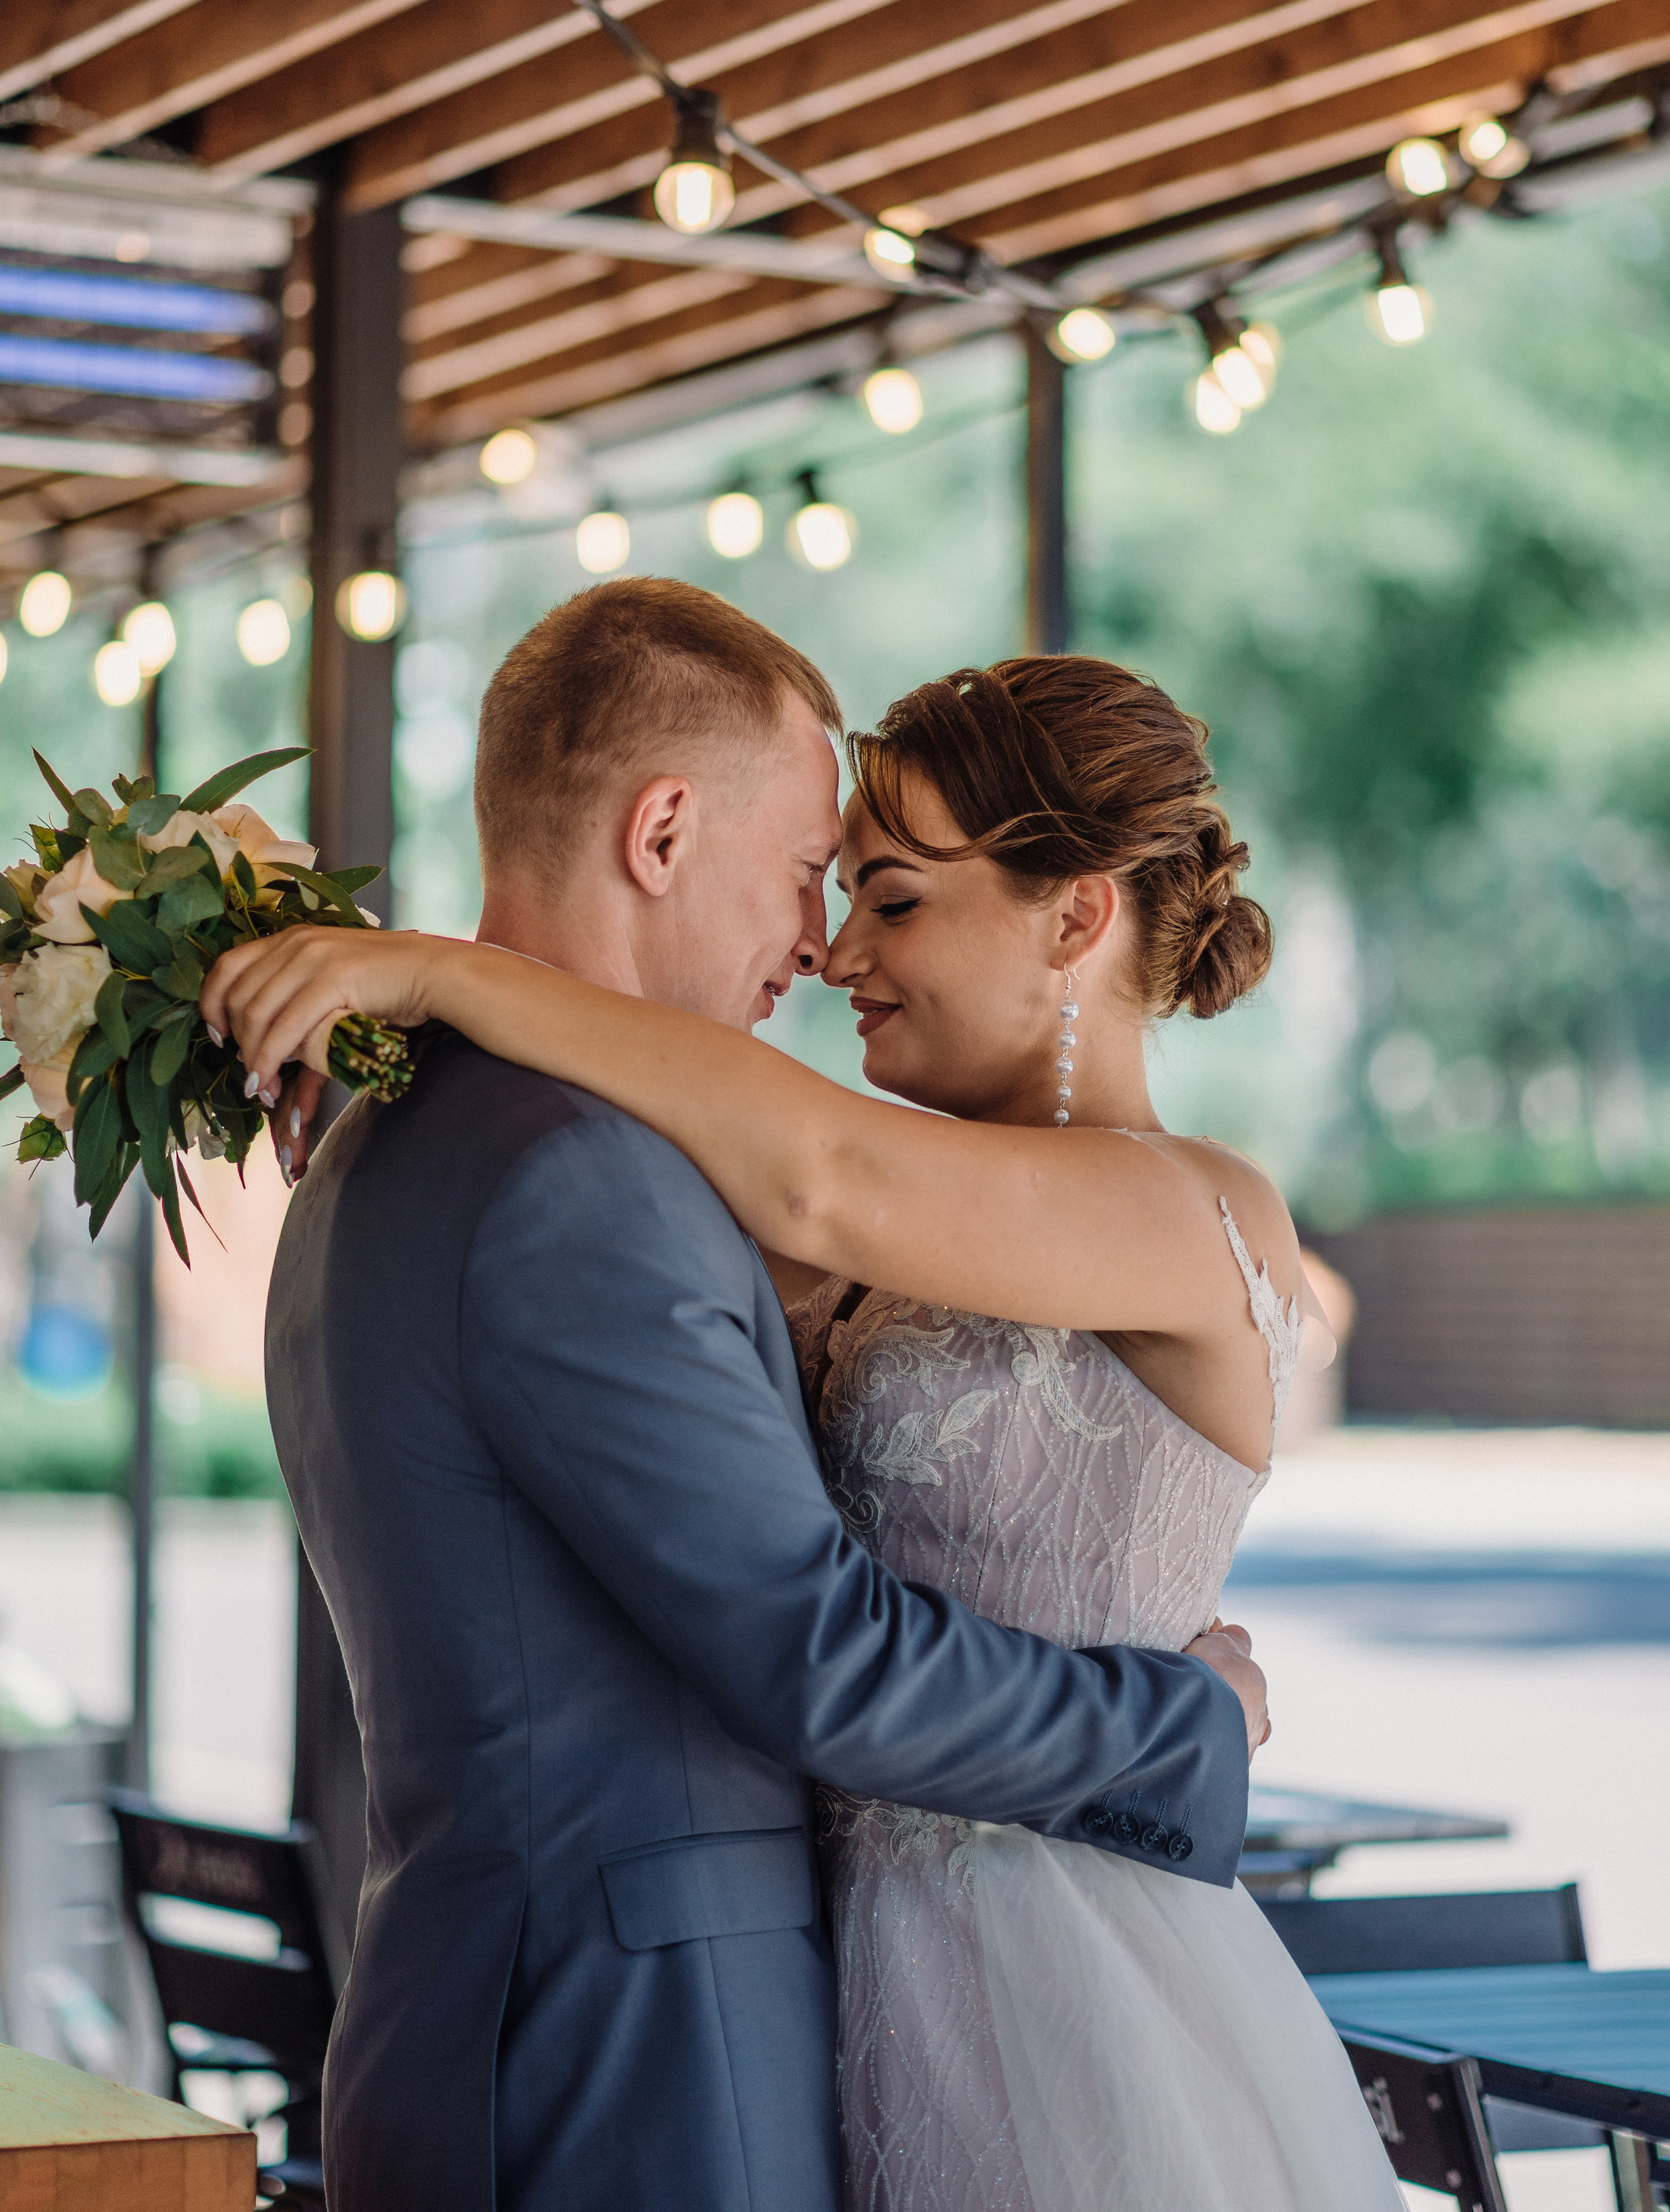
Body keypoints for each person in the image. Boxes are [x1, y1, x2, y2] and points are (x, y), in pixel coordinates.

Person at [227, 582, 1265, 2212]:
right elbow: (814, 1641)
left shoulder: (403, 1137)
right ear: (661, 835)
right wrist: (1182, 1723)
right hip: (638, 2042)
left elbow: (824, 1175)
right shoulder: (580, 1175)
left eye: (879, 898)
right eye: (812, 875)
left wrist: (437, 972)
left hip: (848, 1999)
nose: (823, 943)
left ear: (1076, 917)